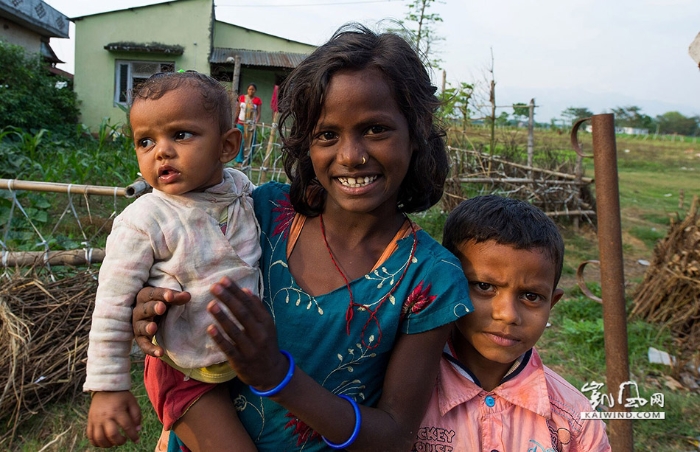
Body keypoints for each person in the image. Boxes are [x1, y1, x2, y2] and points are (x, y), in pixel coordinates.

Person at [132, 24, 473, 452]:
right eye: (327, 135)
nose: (351, 156)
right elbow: (179, 367)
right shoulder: (260, 215)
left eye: (376, 129)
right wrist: (155, 308)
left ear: (416, 131)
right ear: (305, 144)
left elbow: (394, 435)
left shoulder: (429, 279)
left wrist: (279, 377)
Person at [84, 71, 260, 452]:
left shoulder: (242, 191)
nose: (160, 151)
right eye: (145, 141)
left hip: (240, 359)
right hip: (182, 369)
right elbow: (112, 306)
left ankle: (172, 437)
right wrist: (108, 387)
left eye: (180, 135)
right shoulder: (145, 220)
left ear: (227, 146)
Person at [413, 195, 611, 451]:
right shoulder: (405, 393)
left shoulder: (574, 420)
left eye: (531, 296)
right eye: (484, 287)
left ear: (552, 303)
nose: (507, 315)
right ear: (449, 283)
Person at [234, 82, 262, 166]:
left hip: (251, 125)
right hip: (241, 123)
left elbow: (259, 113)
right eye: (250, 89)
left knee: (251, 142)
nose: (251, 91)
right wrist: (234, 121)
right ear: (247, 90)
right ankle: (239, 161)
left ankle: (247, 161)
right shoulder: (242, 98)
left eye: (253, 89)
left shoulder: (257, 100)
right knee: (240, 141)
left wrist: (255, 123)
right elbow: (238, 110)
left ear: (255, 91)